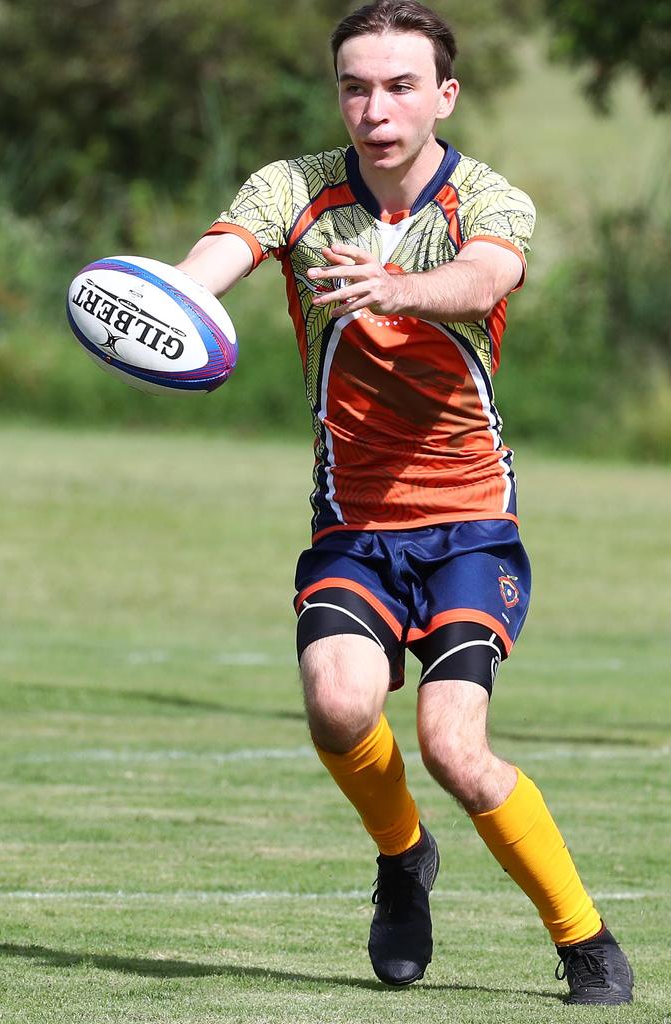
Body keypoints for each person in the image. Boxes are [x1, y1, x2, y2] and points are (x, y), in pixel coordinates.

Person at [176, 0, 633, 1005]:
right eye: (355, 86)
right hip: (352, 520)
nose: (375, 108)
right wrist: (169, 303)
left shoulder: (487, 199)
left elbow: (485, 277)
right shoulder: (294, 188)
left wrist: (397, 287)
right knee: (340, 703)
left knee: (453, 745)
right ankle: (403, 857)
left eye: (399, 86)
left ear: (444, 95)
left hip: (469, 520)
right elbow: (215, 262)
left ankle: (584, 937)